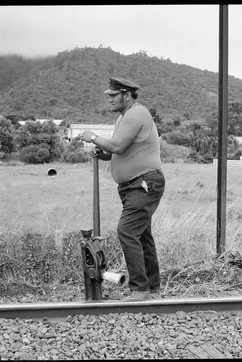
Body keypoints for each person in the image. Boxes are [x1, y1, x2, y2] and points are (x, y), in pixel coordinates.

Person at [81, 77, 166, 302]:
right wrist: (103, 153)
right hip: (133, 186)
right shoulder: (124, 117)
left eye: (113, 95)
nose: (109, 99)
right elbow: (120, 150)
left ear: (126, 95)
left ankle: (140, 290)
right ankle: (152, 290)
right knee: (142, 236)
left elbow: (117, 145)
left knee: (127, 232)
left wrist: (94, 137)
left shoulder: (136, 114)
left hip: (144, 184)